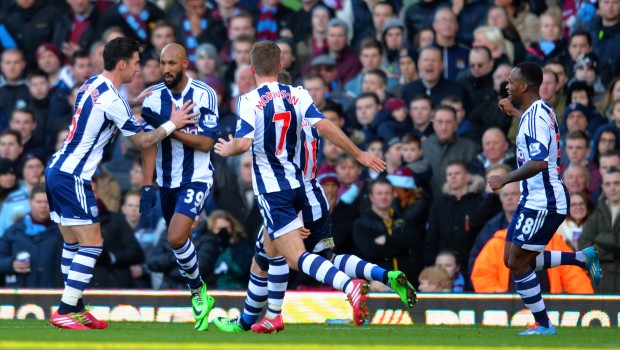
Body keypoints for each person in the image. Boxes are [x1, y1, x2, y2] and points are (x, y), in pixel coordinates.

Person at [213, 74, 415, 333]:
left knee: (282, 256)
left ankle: (264, 317)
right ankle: (383, 275)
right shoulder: (306, 116)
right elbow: (325, 130)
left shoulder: (278, 123)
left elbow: (277, 157)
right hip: (313, 193)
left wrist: (295, 215)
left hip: (288, 195)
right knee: (300, 256)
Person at [45, 37, 199, 330]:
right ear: (122, 64)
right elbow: (141, 140)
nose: (140, 69)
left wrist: (135, 102)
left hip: (56, 169)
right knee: (93, 244)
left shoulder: (92, 85)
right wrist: (173, 123)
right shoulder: (113, 99)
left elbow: (107, 110)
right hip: (73, 176)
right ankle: (65, 310)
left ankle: (75, 307)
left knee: (73, 242)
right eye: (137, 63)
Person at [489, 62, 601, 336]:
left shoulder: (537, 116)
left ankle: (543, 324)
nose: (507, 85)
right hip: (532, 199)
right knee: (511, 258)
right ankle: (579, 259)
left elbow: (539, 162)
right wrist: (514, 111)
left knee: (517, 263)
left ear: (524, 86)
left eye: (511, 81)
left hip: (545, 201)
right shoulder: (536, 111)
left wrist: (504, 179)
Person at [138, 43, 219, 331]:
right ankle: (200, 293)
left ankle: (197, 292)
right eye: (162, 63)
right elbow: (148, 144)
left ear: (185, 63)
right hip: (166, 182)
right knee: (181, 240)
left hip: (196, 176)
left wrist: (172, 127)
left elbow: (207, 143)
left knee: (174, 237)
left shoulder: (204, 94)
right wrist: (148, 185)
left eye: (172, 63)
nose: (166, 69)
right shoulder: (152, 98)